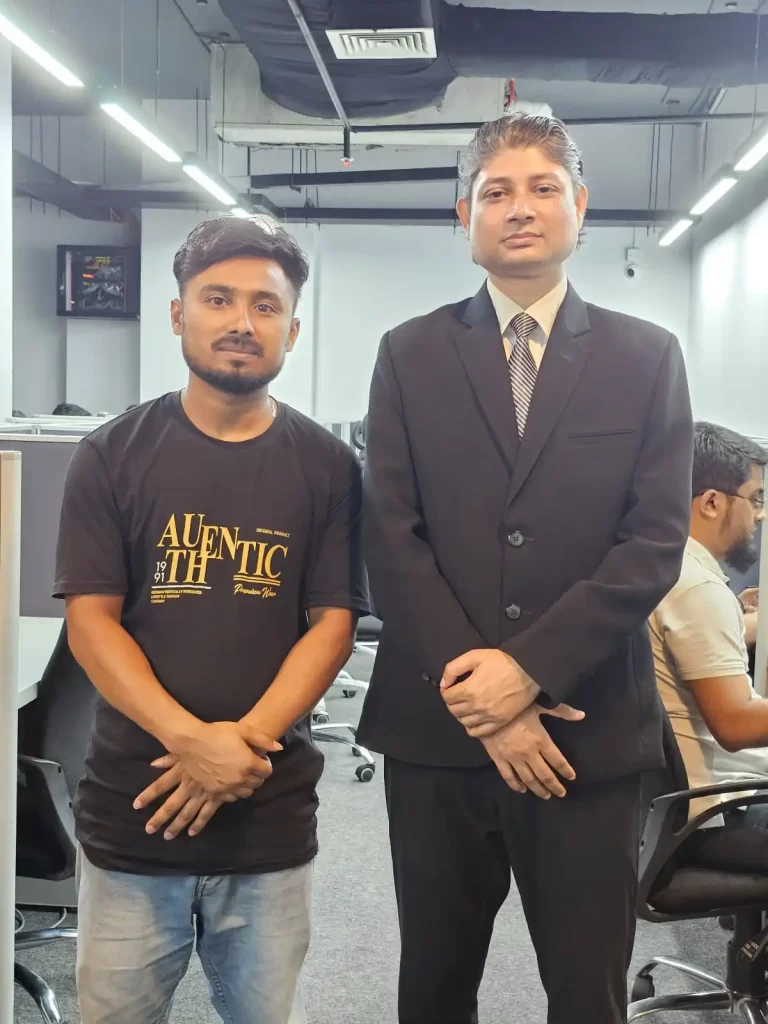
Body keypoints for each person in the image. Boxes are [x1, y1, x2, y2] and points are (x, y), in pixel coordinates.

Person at [357, 113, 694, 1024]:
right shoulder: (409, 353)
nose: (520, 208)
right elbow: (390, 534)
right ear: (463, 214)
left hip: (588, 733)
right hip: (438, 732)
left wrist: (529, 671)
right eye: (495, 191)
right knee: (434, 986)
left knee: (587, 993)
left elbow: (654, 542)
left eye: (543, 188)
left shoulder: (646, 357)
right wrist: (486, 695)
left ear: (579, 206)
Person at [54, 216, 368, 1024]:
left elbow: (332, 625)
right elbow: (92, 622)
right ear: (178, 314)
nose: (241, 322)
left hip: (268, 818)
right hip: (136, 810)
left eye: (266, 306)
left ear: (292, 330)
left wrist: (241, 746)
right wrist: (190, 742)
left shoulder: (328, 467)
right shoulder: (112, 455)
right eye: (218, 299)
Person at [651, 422, 768, 841]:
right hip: (716, 812)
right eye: (756, 498)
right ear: (713, 503)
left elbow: (715, 631)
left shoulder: (666, 567)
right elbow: (736, 725)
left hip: (679, 806)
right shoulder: (698, 587)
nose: (760, 514)